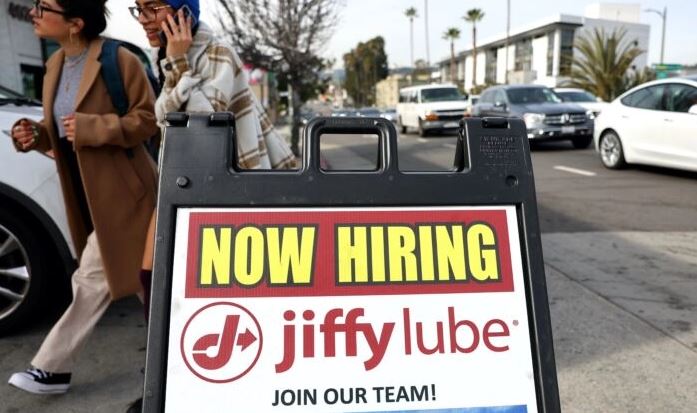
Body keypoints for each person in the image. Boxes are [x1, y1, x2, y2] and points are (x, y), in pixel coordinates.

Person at [7, 0, 158, 395]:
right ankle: (176, 362)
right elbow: (62, 129)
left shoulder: (119, 59)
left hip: (130, 193)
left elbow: (147, 120)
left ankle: (51, 368)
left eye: (45, 7)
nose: (35, 13)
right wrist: (36, 135)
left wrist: (95, 127)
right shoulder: (55, 65)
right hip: (91, 195)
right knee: (150, 286)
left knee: (94, 277)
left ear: (75, 23)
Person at [131, 0, 296, 321]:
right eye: (138, 9)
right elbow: (166, 117)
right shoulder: (166, 54)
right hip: (184, 181)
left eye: (153, 8)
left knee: (228, 288)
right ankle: (164, 366)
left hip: (229, 186)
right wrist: (174, 61)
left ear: (184, 12)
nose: (144, 19)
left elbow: (198, 122)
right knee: (152, 279)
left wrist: (177, 63)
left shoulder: (216, 53)